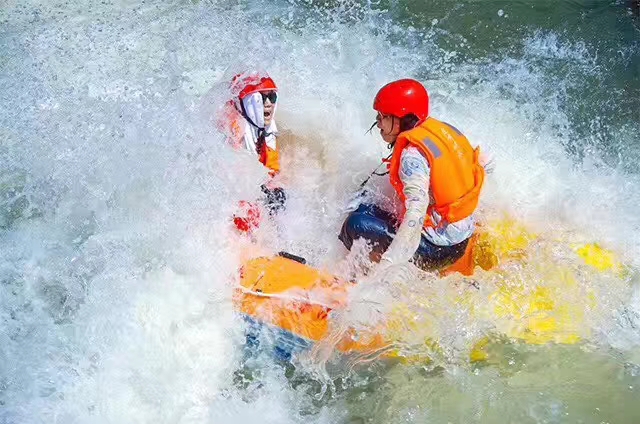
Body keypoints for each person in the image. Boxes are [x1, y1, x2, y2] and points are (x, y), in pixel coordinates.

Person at [339, 78, 487, 274]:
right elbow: (484, 162)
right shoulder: (443, 131)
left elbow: (416, 212)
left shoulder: (412, 156)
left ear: (402, 119)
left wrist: (389, 264)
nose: (378, 123)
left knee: (355, 224)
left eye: (383, 117)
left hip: (436, 251)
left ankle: (360, 276)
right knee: (363, 204)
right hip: (461, 238)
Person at [217, 71, 287, 233]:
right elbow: (230, 177)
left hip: (248, 187)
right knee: (249, 210)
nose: (269, 103)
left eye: (272, 97)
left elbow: (271, 170)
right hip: (227, 193)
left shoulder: (265, 128)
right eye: (262, 98)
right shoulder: (232, 128)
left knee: (278, 196)